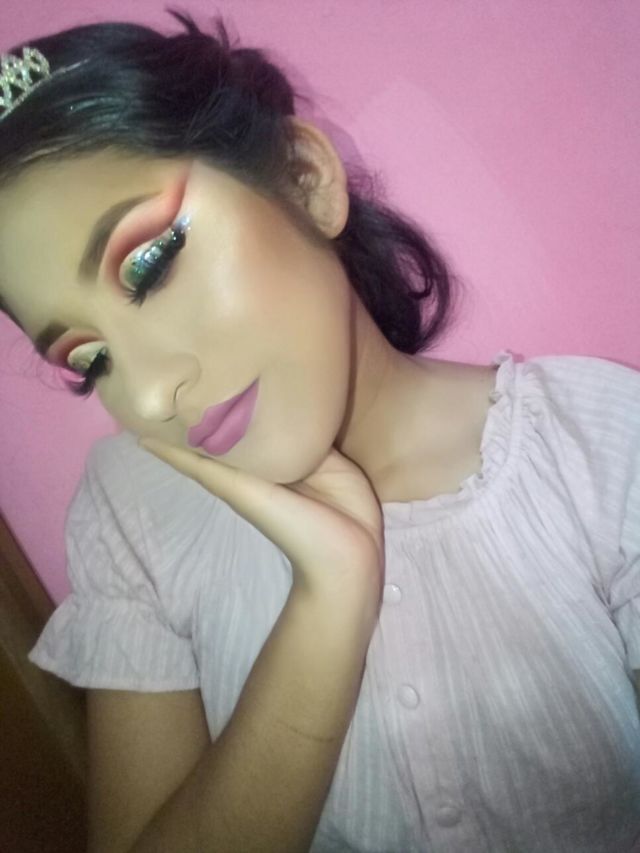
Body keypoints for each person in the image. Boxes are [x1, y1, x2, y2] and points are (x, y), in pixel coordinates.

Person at [0, 9, 639, 853]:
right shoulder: (134, 509)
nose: (149, 394)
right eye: (90, 359)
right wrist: (325, 602)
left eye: (148, 265)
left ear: (305, 179)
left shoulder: (597, 442)